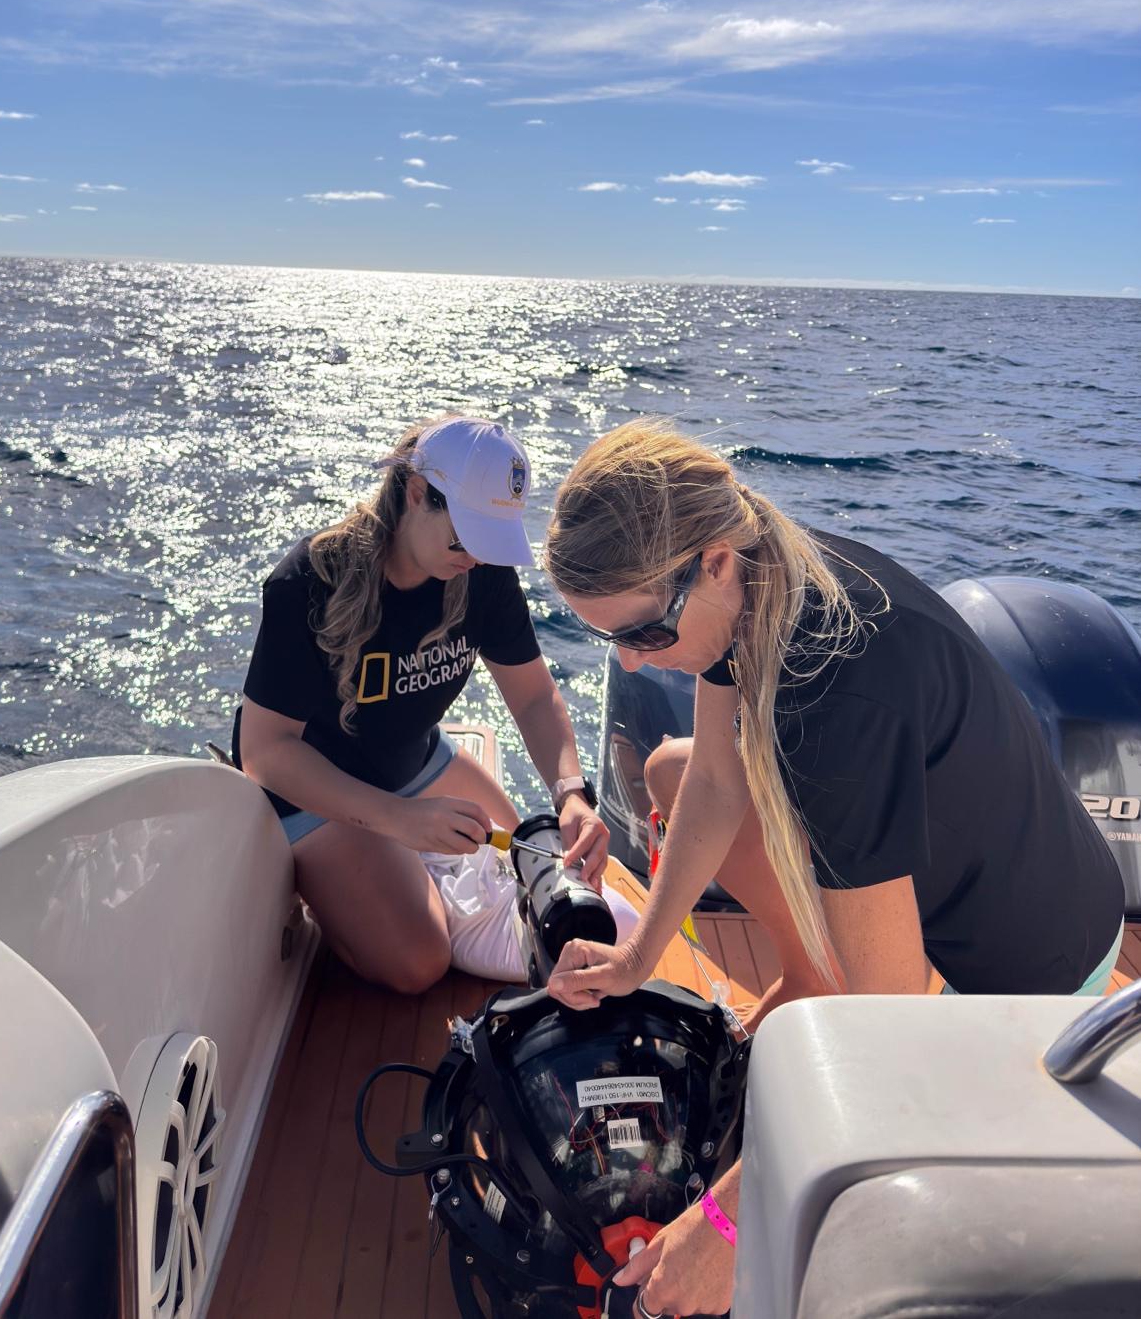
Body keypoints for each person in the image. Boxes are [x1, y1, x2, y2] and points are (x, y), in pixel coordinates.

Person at [541, 421, 1125, 1317]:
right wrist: (636, 955)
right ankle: (805, 980)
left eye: (644, 630)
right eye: (607, 637)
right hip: (990, 881)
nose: (628, 659)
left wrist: (725, 1225)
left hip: (1034, 978)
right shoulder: (761, 569)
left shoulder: (830, 697)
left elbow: (884, 1034)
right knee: (672, 767)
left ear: (713, 562)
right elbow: (712, 779)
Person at [233, 415, 609, 995]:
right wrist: (396, 820)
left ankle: (408, 870)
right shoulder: (308, 581)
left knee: (536, 873)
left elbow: (535, 697)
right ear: (415, 493)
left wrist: (571, 793)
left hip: (415, 760)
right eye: (465, 537)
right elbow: (264, 753)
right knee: (420, 964)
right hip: (313, 787)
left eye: (489, 540)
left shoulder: (481, 575)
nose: (475, 557)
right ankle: (363, 882)